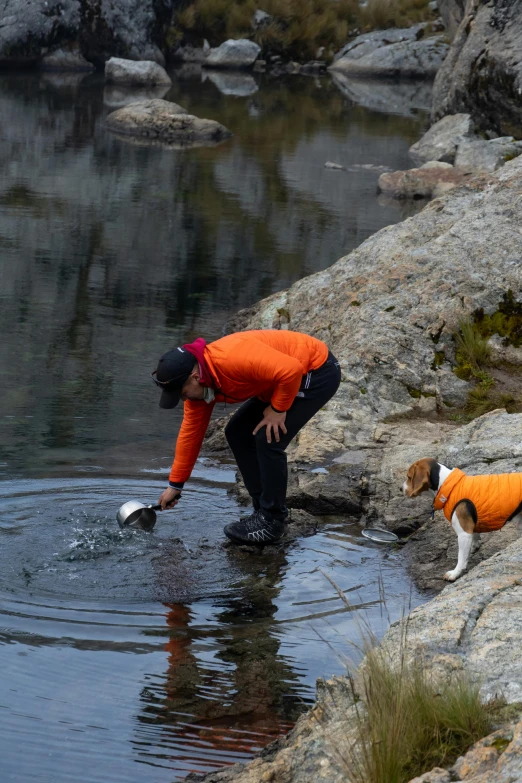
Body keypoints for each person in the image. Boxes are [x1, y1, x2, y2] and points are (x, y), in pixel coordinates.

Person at [152, 330, 341, 545]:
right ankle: (261, 510)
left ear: (195, 377)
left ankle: (272, 521)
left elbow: (291, 370)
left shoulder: (232, 359)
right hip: (279, 380)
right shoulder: (203, 384)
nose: (183, 399)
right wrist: (176, 485)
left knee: (268, 437)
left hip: (315, 371)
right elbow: (190, 434)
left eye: (182, 393)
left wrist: (278, 409)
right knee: (238, 432)